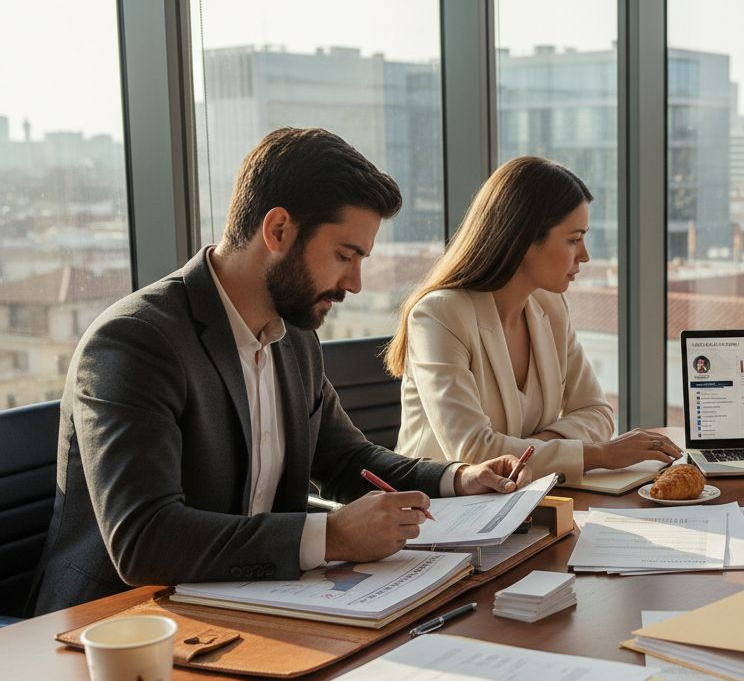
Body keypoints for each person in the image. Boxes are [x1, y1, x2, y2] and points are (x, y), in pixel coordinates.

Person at [30, 128, 526, 614]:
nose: (354, 283)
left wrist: (459, 478)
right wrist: (330, 535)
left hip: (246, 604)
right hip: (118, 629)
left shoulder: (295, 337)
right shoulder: (136, 341)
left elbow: (343, 459)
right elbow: (144, 539)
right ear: (278, 230)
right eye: (344, 255)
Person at [385, 156, 681, 480]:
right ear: (524, 239)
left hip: (525, 504)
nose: (585, 255)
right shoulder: (439, 316)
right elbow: (472, 450)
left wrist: (528, 449)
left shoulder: (551, 307)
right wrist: (599, 454)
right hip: (442, 516)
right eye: (573, 239)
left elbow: (597, 413)